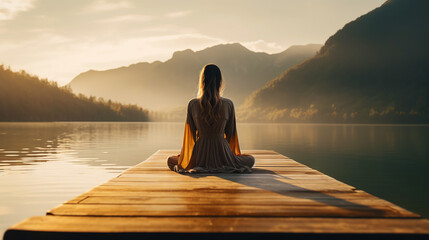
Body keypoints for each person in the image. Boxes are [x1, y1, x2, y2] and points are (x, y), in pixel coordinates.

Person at [167, 64, 255, 173]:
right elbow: (231, 135)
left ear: (202, 81)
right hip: (223, 152)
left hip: (200, 153)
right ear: (220, 82)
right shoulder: (228, 104)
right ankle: (224, 161)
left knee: (170, 160)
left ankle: (201, 162)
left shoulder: (193, 104)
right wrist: (229, 156)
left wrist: (188, 156)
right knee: (251, 159)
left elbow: (190, 136)